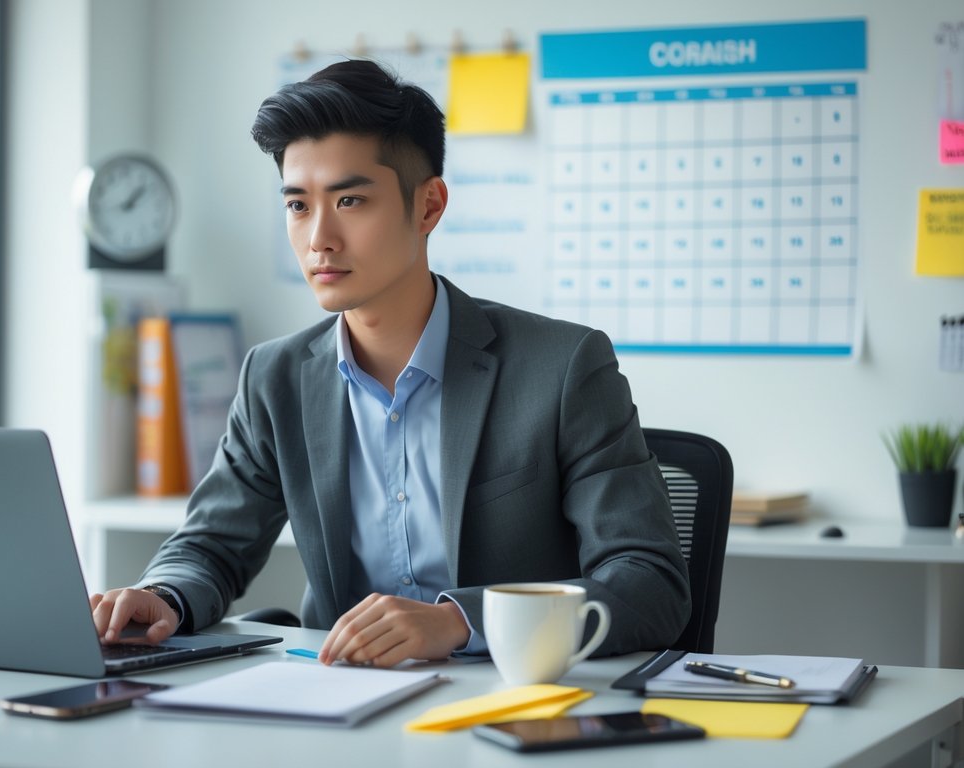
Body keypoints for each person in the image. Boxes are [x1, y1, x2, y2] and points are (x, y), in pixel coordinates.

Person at [90, 59, 689, 668]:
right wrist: (162, 594)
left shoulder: (562, 368)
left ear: (428, 206)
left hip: (502, 706)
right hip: (337, 700)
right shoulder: (275, 378)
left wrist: (459, 620)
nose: (320, 237)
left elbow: (650, 581)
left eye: (350, 199)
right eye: (299, 206)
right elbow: (212, 544)